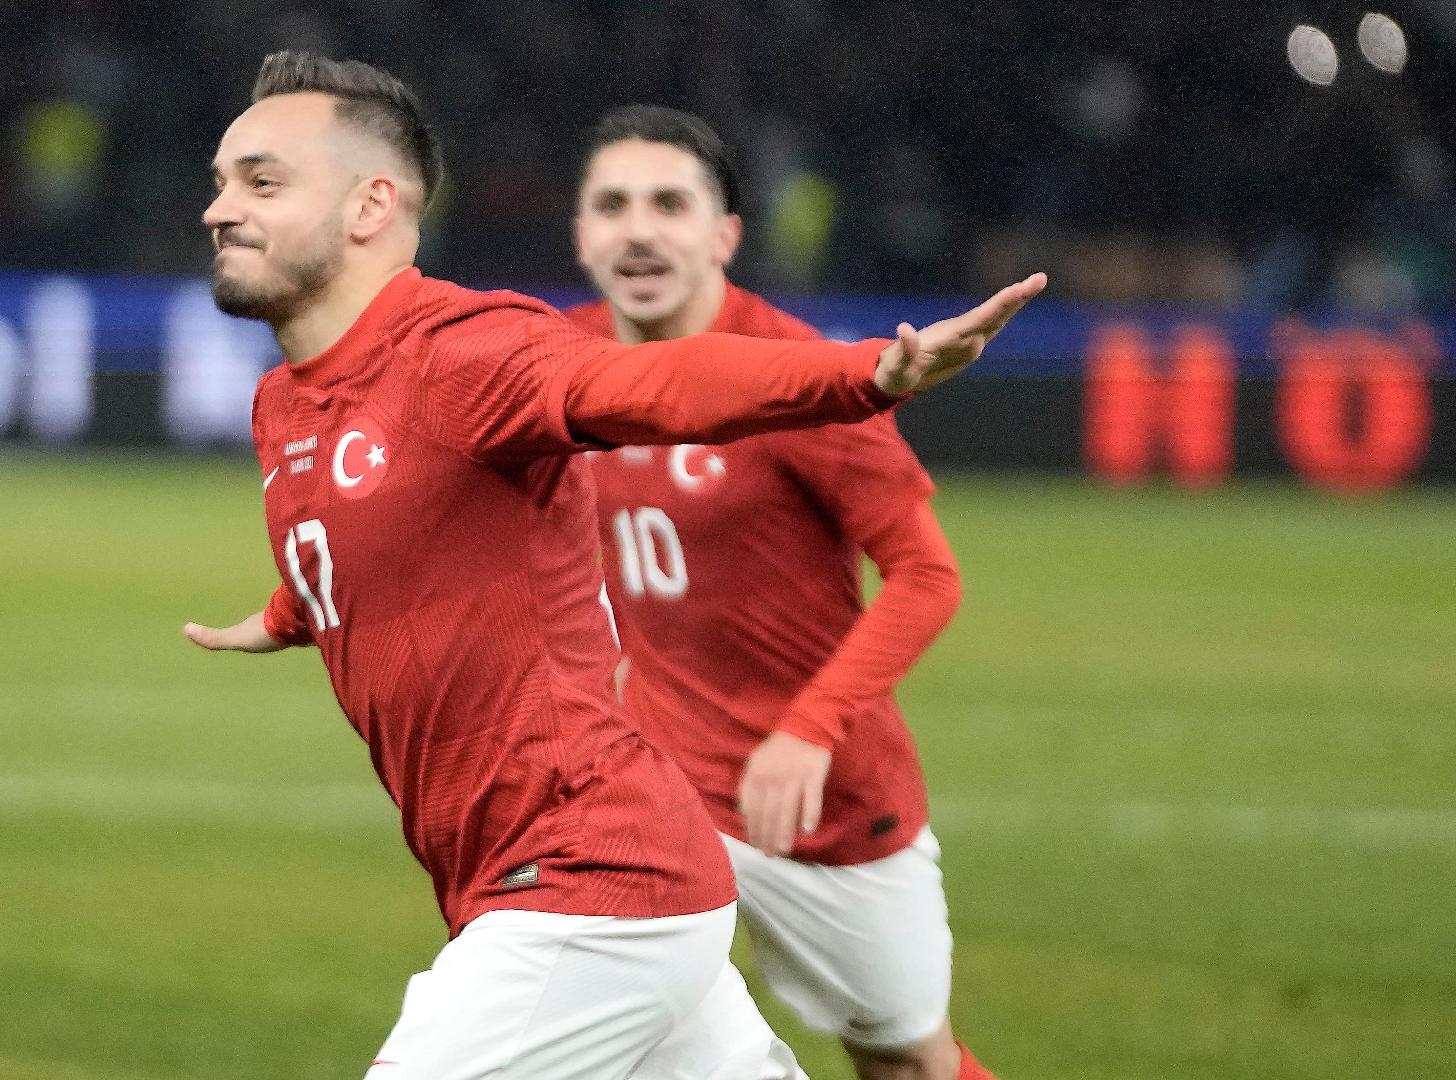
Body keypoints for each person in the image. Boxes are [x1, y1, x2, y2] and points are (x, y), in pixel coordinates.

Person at [183, 51, 1044, 1080]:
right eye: (222, 181)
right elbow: (390, 518)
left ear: (372, 206)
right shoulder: (286, 401)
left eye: (262, 182)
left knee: (909, 1060)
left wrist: (870, 371)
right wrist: (292, 612)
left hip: (589, 883)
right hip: (605, 866)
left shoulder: (464, 352)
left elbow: (671, 381)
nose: (219, 210)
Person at [566, 105, 998, 1080]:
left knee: (904, 1061)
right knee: (607, 1031)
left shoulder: (801, 381)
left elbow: (928, 575)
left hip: (822, 800)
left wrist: (810, 728)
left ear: (725, 234)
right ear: (582, 233)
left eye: (670, 203)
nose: (639, 228)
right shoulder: (556, 365)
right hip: (653, 788)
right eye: (613, 204)